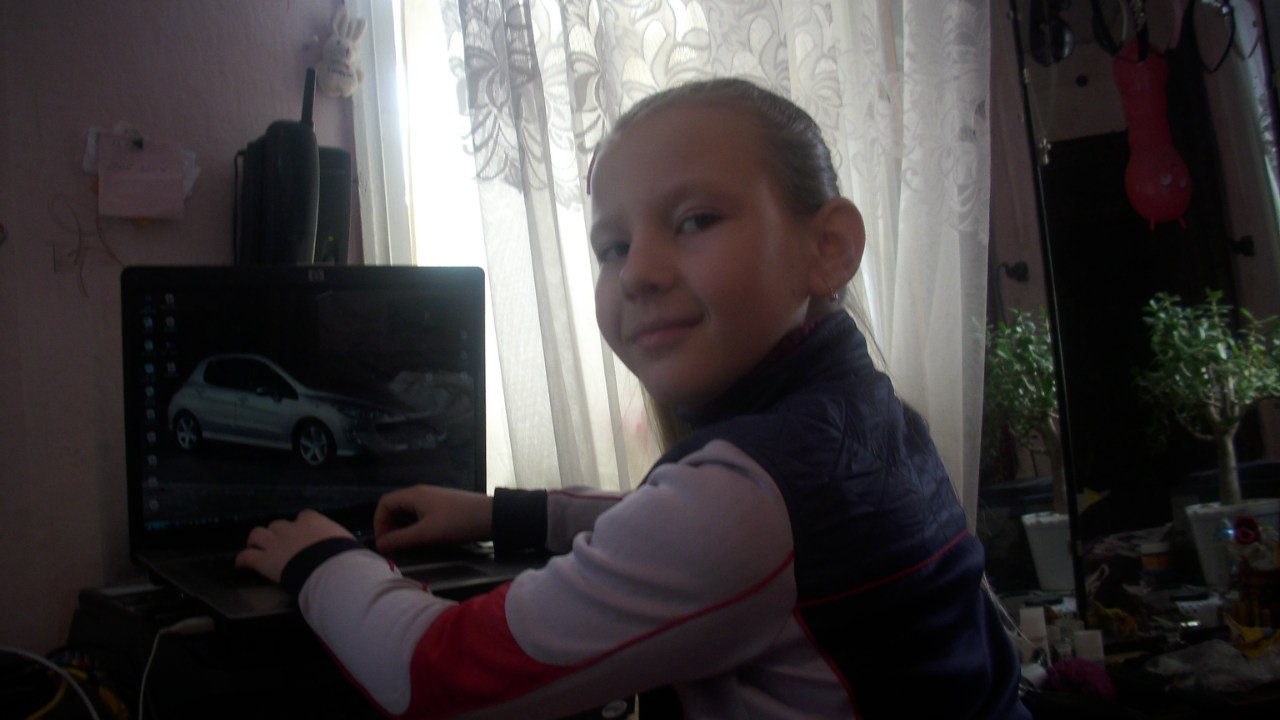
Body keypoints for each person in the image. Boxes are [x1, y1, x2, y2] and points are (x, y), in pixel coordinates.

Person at [236, 77, 1030, 719]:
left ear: (827, 248)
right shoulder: (864, 420)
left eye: (695, 220)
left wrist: (321, 560)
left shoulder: (744, 501)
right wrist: (503, 515)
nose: (638, 273)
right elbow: (680, 520)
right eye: (612, 246)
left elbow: (431, 677)